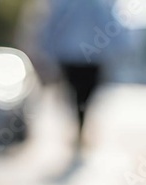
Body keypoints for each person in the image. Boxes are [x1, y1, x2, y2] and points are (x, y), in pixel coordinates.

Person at [39, 0, 127, 151]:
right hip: (76, 57)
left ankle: (80, 126)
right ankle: (79, 126)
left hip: (86, 57)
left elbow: (52, 27)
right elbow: (53, 27)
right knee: (77, 96)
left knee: (82, 95)